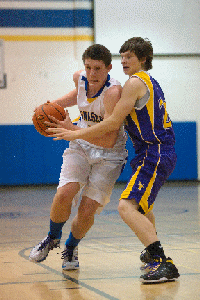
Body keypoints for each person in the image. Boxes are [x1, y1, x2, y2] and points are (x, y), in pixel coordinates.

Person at [47, 37, 180, 283]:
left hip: (155, 151)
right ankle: (153, 256)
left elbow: (111, 123)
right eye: (123, 56)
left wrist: (73, 131)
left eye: (130, 57)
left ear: (143, 60)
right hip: (150, 152)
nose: (125, 61)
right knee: (142, 208)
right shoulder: (148, 81)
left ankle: (161, 260)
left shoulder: (133, 83)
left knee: (125, 206)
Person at [29, 44, 128, 270]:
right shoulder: (80, 78)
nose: (92, 74)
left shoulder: (113, 93)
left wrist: (72, 129)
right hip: (81, 144)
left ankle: (71, 247)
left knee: (86, 209)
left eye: (97, 69)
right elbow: (78, 95)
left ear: (108, 68)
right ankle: (51, 237)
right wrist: (50, 105)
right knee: (65, 193)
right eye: (88, 67)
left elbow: (108, 140)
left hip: (109, 154)